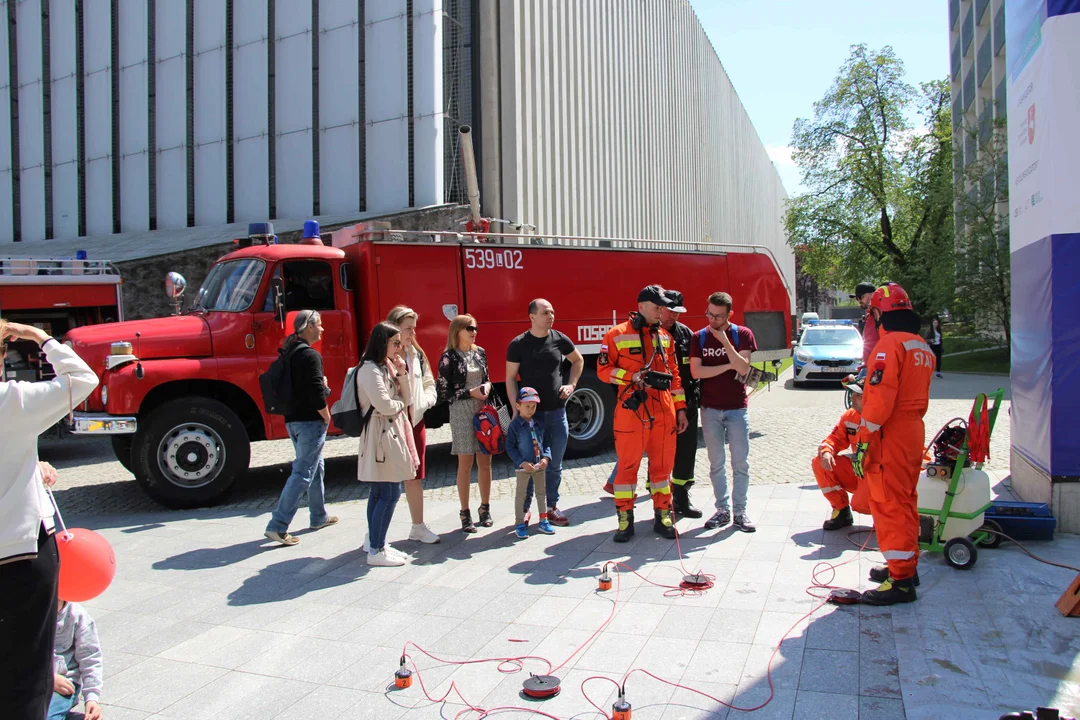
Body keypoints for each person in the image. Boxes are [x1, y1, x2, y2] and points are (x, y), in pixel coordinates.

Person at [0, 318, 98, 720]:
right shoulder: (11, 400)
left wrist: (29, 461)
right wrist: (41, 338)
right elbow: (82, 378)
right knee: (26, 674)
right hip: (19, 553)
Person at [852, 282, 935, 605]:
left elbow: (880, 402)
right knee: (906, 499)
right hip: (913, 431)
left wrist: (863, 440)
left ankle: (900, 582)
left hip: (890, 434)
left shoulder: (887, 347)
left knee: (888, 503)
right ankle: (905, 566)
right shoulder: (921, 346)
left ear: (878, 313)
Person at [597, 285, 689, 542]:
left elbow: (676, 376)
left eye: (663, 306)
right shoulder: (616, 335)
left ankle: (663, 515)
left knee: (662, 469)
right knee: (627, 469)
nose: (662, 310)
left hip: (664, 410)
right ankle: (625, 519)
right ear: (640, 307)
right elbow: (604, 371)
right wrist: (632, 377)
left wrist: (680, 409)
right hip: (632, 410)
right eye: (657, 306)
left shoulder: (666, 338)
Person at [505, 298, 584, 527]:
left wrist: (572, 385)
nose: (550, 315)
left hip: (557, 413)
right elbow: (510, 378)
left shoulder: (559, 339)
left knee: (554, 464)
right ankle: (527, 508)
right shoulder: (518, 344)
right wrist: (516, 408)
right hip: (531, 417)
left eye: (552, 311)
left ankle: (551, 507)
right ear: (532, 317)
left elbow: (577, 361)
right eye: (545, 312)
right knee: (529, 464)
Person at [264, 310, 338, 546]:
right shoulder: (310, 355)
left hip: (292, 420)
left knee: (316, 467)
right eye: (320, 325)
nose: (322, 329)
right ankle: (278, 525)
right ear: (309, 327)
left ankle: (318, 516)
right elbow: (316, 393)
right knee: (303, 472)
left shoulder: (290, 351)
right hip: (310, 421)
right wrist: (326, 416)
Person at [690, 291, 758, 533]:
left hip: (737, 408)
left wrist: (725, 344)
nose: (712, 320)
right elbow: (697, 372)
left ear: (729, 314)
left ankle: (740, 512)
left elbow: (743, 367)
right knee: (715, 462)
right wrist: (729, 364)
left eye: (718, 316)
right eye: (709, 314)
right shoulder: (698, 337)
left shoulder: (743, 335)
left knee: (741, 462)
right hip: (709, 409)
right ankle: (722, 510)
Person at [356, 321, 419, 567]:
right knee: (389, 492)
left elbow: (408, 396)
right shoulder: (369, 369)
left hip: (389, 431)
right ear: (382, 342)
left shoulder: (386, 367)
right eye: (395, 343)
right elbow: (385, 404)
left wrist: (402, 373)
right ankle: (377, 548)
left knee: (381, 492)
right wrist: (399, 402)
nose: (399, 347)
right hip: (381, 434)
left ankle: (375, 542)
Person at [386, 306, 440, 544]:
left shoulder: (416, 354)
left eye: (413, 328)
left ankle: (418, 527)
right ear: (395, 327)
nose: (412, 333)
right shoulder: (383, 356)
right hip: (392, 424)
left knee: (415, 477)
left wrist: (424, 402)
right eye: (408, 328)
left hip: (415, 421)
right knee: (385, 482)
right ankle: (375, 534)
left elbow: (430, 382)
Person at [437, 314, 494, 533]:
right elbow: (443, 392)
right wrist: (470, 392)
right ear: (457, 330)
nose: (474, 332)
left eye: (475, 328)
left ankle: (485, 508)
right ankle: (465, 512)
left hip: (482, 411)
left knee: (486, 461)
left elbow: (486, 377)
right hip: (461, 411)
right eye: (469, 328)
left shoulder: (480, 353)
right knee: (465, 463)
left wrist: (487, 386)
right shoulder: (448, 357)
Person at [812, 379, 871, 531]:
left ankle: (887, 516)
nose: (852, 397)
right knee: (820, 462)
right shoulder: (850, 416)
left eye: (858, 394)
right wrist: (827, 452)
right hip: (861, 472)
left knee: (863, 504)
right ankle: (841, 511)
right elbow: (835, 439)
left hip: (883, 476)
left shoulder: (891, 419)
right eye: (853, 393)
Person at [506, 387, 557, 539]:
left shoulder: (539, 423)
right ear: (518, 406)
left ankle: (543, 520)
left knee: (541, 494)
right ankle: (519, 523)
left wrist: (546, 458)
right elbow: (510, 447)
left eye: (533, 406)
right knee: (521, 495)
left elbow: (546, 442)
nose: (531, 409)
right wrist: (521, 462)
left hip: (539, 466)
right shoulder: (514, 426)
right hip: (523, 468)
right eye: (527, 406)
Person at [50, 596, 103, 720]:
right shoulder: (27, 612)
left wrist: (92, 698)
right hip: (33, 680)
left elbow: (90, 658)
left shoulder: (77, 615)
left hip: (64, 683)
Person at [851, 281, 879, 375]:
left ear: (873, 295)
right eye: (857, 298)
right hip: (869, 365)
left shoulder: (879, 315)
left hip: (877, 366)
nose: (859, 301)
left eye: (861, 297)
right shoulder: (869, 316)